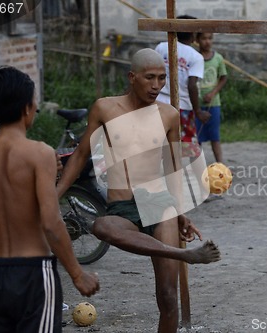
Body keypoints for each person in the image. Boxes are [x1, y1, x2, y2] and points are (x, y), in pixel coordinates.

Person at [56, 48, 220, 333]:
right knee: (101, 226)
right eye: (150, 78)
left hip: (158, 203)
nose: (157, 86)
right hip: (122, 206)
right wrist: (54, 195)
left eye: (161, 79)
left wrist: (180, 212)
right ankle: (181, 255)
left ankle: (175, 253)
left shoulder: (168, 115)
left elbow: (172, 169)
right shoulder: (105, 108)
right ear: (132, 77)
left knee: (168, 297)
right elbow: (81, 155)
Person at [0, 66, 100, 333]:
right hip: (33, 273)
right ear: (26, 108)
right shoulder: (40, 152)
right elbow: (51, 222)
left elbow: (11, 197)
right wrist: (77, 274)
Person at [155, 14, 210, 160]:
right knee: (185, 145)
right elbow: (192, 85)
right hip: (182, 106)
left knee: (158, 143)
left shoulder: (161, 47)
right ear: (193, 34)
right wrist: (198, 111)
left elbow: (151, 73)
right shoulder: (196, 57)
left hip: (158, 102)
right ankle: (185, 175)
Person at [195, 32, 228, 164]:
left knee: (215, 136)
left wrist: (213, 93)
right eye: (204, 38)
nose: (207, 42)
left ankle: (220, 164)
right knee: (197, 137)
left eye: (210, 38)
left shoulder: (218, 58)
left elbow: (223, 77)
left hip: (213, 104)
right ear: (197, 40)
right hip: (196, 103)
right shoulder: (195, 58)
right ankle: (197, 165)